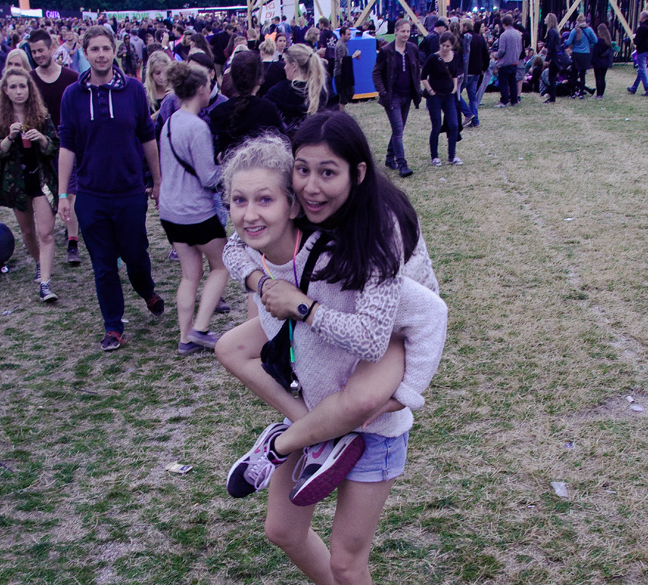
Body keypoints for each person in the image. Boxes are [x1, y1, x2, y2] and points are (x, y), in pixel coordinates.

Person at [218, 121, 446, 582]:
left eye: (327, 172)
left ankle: (282, 444)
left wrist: (407, 394)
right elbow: (235, 248)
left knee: (347, 559)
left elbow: (412, 319)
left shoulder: (367, 241)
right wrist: (264, 285)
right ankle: (315, 432)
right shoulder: (290, 238)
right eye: (303, 170)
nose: (312, 186)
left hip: (388, 344)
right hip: (327, 375)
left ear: (356, 173)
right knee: (282, 530)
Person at [57, 25, 165, 352]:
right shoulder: (72, 95)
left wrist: (157, 181)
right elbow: (66, 145)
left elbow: (147, 138)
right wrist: (62, 194)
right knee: (103, 266)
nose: (101, 55)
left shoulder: (133, 89)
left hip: (130, 192)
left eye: (106, 48)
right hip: (91, 195)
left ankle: (147, 291)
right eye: (95, 49)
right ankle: (113, 326)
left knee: (135, 256)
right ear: (85, 53)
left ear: (114, 51)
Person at [157, 61, 228, 355]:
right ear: (200, 89)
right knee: (222, 265)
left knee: (190, 275)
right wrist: (227, 168)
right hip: (196, 211)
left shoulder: (169, 122)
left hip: (170, 211)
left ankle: (185, 338)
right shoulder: (197, 127)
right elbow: (208, 177)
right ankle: (200, 329)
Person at [0, 67, 60, 302]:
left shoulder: (41, 116)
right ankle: (39, 262)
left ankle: (45, 284)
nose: (19, 91)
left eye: (23, 86)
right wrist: (9, 138)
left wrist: (42, 139)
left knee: (45, 232)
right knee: (28, 231)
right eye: (14, 87)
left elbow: (54, 146)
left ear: (30, 89)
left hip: (41, 180)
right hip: (16, 184)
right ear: (6, 91)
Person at [29, 29, 82, 267]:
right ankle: (48, 234)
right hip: (40, 146)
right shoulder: (30, 80)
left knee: (69, 193)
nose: (38, 55)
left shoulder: (71, 77)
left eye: (41, 50)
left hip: (68, 145)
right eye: (33, 52)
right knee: (44, 193)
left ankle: (72, 242)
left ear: (52, 48)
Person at [209, 49, 284, 161]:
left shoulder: (218, 113)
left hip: (229, 170)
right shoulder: (268, 110)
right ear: (260, 79)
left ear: (232, 78)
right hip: (260, 169)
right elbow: (281, 147)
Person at [371, 18, 419, 178]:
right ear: (396, 31)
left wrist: (418, 90)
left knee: (399, 129)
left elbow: (416, 70)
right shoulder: (386, 51)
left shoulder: (412, 49)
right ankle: (402, 164)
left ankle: (389, 158)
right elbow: (376, 72)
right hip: (393, 97)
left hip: (407, 95)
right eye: (403, 31)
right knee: (398, 130)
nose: (406, 34)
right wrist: (383, 93)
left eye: (408, 31)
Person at [266, 42, 327, 134]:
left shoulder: (277, 92)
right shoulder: (320, 91)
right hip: (310, 140)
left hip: (282, 140)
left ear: (293, 66)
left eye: (286, 63)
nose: (284, 67)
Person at [421, 31, 461, 167]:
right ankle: (434, 156)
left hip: (449, 95)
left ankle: (452, 156)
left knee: (454, 125)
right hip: (435, 96)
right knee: (436, 126)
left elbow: (455, 73)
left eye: (448, 46)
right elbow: (423, 76)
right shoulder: (433, 58)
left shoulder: (455, 56)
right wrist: (430, 91)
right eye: (443, 45)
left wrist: (455, 87)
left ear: (452, 46)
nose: (445, 48)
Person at [565, 15, 597, 99]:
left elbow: (568, 42)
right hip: (585, 54)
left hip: (576, 54)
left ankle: (572, 93)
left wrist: (564, 41)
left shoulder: (574, 31)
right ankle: (581, 94)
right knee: (582, 75)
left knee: (574, 75)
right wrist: (589, 44)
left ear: (577, 21)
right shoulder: (589, 30)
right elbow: (595, 41)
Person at [494, 13, 522, 108]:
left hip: (505, 63)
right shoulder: (518, 33)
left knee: (503, 83)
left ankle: (504, 100)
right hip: (515, 61)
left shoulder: (504, 35)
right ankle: (514, 100)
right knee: (513, 82)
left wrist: (495, 55)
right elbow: (520, 48)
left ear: (503, 24)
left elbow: (502, 50)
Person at [628, 11, 648, 97]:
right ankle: (634, 87)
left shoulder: (641, 28)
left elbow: (637, 41)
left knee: (642, 70)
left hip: (642, 51)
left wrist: (634, 38)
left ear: (642, 18)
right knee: (641, 70)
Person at [333, 27, 359, 112]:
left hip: (342, 73)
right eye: (348, 34)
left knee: (347, 93)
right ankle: (340, 113)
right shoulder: (341, 45)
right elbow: (342, 61)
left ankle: (340, 112)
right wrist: (353, 56)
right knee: (343, 95)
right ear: (342, 35)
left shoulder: (343, 44)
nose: (350, 36)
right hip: (340, 73)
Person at [144, 49, 172, 120]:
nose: (162, 77)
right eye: (157, 73)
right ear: (150, 74)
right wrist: (162, 109)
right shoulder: (144, 94)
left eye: (165, 72)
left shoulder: (175, 92)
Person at [542, 13, 561, 104]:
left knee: (551, 78)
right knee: (552, 77)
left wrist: (547, 59)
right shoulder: (554, 31)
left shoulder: (551, 32)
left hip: (554, 57)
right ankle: (552, 97)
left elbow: (551, 46)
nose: (544, 19)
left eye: (546, 18)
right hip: (556, 56)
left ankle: (552, 97)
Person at [592, 23, 613, 99]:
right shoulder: (608, 41)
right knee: (602, 78)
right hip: (605, 62)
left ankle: (598, 94)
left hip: (598, 62)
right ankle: (602, 93)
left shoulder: (598, 41)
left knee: (598, 78)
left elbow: (595, 52)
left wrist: (592, 61)